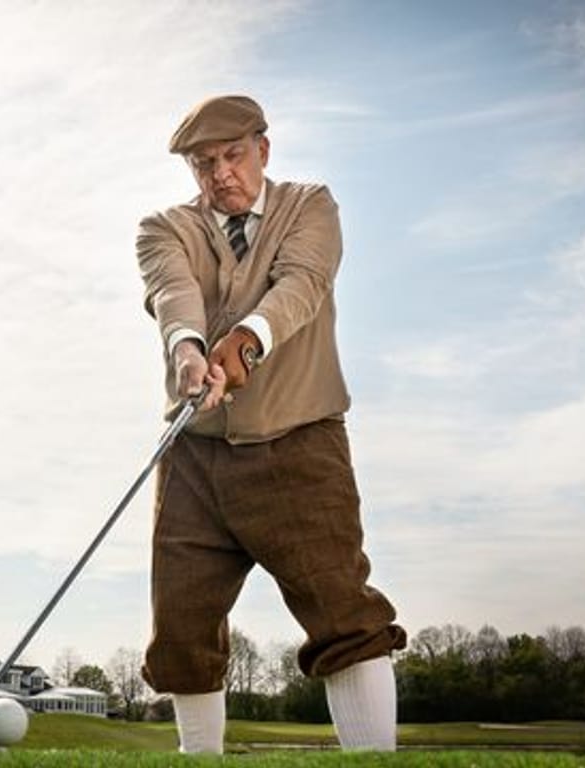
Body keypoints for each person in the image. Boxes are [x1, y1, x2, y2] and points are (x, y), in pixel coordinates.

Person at [135, 94, 407, 753]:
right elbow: (172, 294)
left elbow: (302, 284)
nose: (219, 173)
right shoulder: (163, 227)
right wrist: (189, 349)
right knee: (182, 623)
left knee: (341, 607)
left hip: (299, 443)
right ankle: (198, 760)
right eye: (203, 164)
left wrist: (247, 340)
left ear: (264, 148)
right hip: (193, 458)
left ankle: (373, 760)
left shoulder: (310, 205)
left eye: (231, 156)